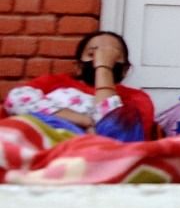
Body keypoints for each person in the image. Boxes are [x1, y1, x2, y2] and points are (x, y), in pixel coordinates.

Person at [3, 30, 155, 142]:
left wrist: (104, 68)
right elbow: (15, 101)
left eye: (112, 56)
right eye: (92, 54)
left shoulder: (136, 97)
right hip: (51, 143)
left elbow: (123, 133)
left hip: (105, 151)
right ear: (79, 67)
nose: (99, 59)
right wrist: (83, 121)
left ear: (125, 69)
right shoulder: (53, 83)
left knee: (125, 116)